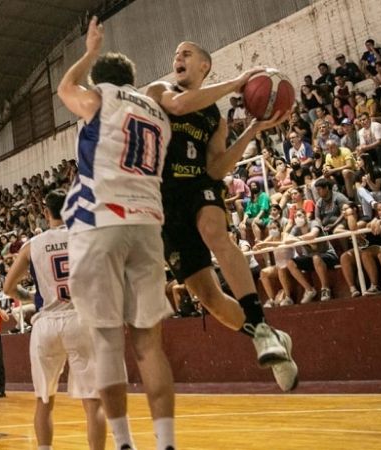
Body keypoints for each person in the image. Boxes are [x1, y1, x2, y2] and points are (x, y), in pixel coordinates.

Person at [145, 41, 297, 393]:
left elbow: (216, 169)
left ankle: (260, 324)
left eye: (186, 53)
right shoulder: (160, 91)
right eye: (176, 53)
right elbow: (179, 105)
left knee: (214, 231)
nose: (178, 57)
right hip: (164, 200)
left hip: (199, 186)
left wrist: (252, 130)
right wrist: (238, 82)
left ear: (204, 66)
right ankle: (271, 338)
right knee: (209, 298)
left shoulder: (215, 118)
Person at [57, 17, 176, 449]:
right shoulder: (157, 113)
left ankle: (124, 442)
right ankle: (167, 443)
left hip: (101, 220)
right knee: (150, 346)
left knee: (107, 341)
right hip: (147, 224)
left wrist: (89, 51)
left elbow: (64, 89)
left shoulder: (98, 97)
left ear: (100, 79)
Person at [4, 189, 106, 450]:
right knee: (93, 402)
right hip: (80, 319)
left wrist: (30, 296)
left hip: (46, 322)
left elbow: (8, 287)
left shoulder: (31, 245)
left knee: (44, 400)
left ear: (45, 212)